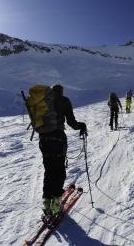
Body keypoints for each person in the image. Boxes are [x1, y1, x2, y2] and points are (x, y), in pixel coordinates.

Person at [39, 84, 87, 216]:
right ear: (61, 91)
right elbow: (71, 122)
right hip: (58, 139)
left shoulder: (43, 101)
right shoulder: (64, 101)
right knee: (59, 171)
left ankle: (47, 204)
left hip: (44, 139)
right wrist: (81, 126)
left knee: (49, 171)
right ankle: (55, 205)